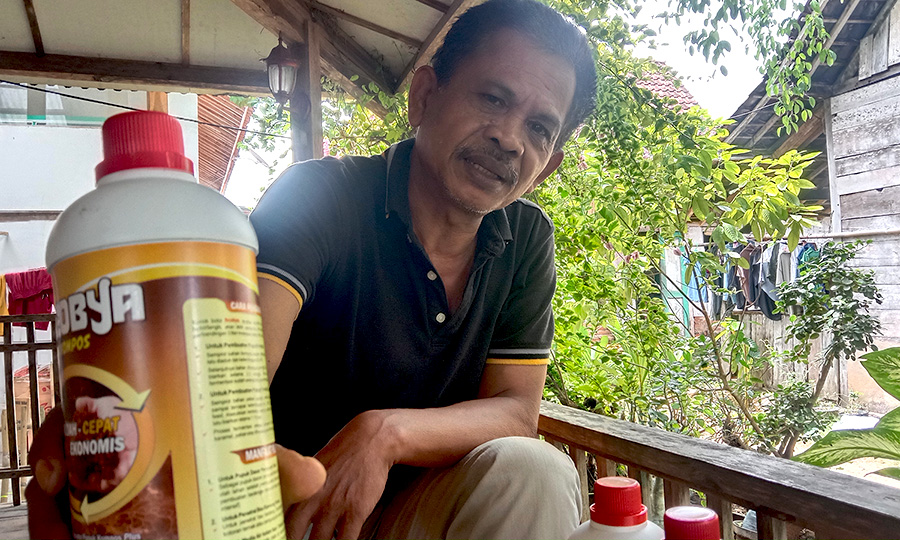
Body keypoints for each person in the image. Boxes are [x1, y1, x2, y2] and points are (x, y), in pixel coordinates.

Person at [27, 0, 598, 538]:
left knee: (534, 469)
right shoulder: (320, 197)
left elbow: (517, 410)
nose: (508, 138)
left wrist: (384, 434)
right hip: (296, 508)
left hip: (422, 510)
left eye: (540, 128)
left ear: (548, 165)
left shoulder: (525, 237)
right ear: (423, 95)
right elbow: (241, 366)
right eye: (492, 99)